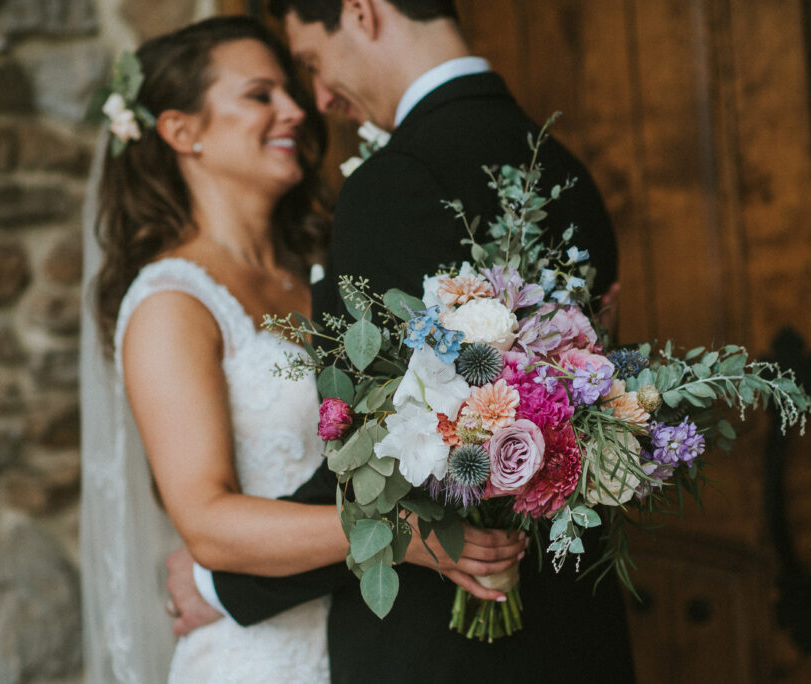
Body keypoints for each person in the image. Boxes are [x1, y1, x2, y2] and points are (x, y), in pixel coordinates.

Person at [170, 1, 637, 683]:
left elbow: (386, 454)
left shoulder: (394, 183)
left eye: (311, 63)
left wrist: (222, 586)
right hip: (578, 631)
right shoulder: (567, 173)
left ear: (361, 12)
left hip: (444, 647)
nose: (323, 97)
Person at [78, 14, 525, 684]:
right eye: (260, 95)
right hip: (261, 657)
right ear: (181, 131)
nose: (295, 109)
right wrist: (401, 535)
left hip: (374, 640)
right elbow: (206, 522)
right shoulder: (171, 303)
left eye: (292, 88)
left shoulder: (324, 267)